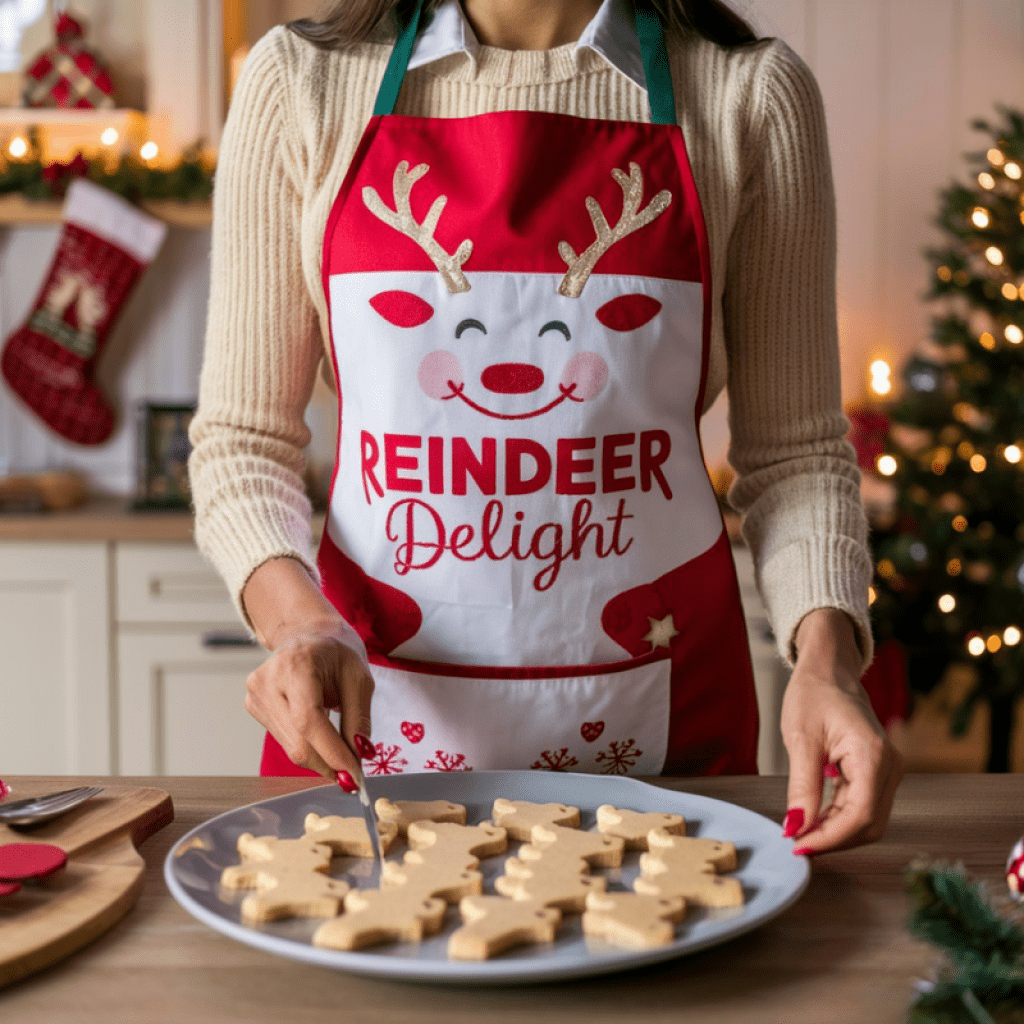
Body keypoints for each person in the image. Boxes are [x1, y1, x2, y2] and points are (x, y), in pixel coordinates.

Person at [188, 0, 905, 856]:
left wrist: (827, 661)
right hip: (368, 733)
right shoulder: (301, 85)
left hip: (666, 742)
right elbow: (243, 443)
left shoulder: (746, 95)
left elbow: (796, 454)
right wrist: (295, 623)